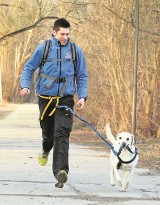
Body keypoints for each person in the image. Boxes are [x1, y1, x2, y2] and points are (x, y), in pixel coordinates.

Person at [20, 18, 88, 188]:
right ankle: (45, 149)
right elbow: (29, 68)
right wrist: (25, 86)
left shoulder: (75, 51)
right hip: (45, 97)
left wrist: (82, 96)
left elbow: (82, 75)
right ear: (54, 32)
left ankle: (60, 172)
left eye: (67, 34)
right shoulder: (44, 48)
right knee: (49, 133)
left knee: (62, 134)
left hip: (65, 98)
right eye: (62, 34)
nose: (65, 37)